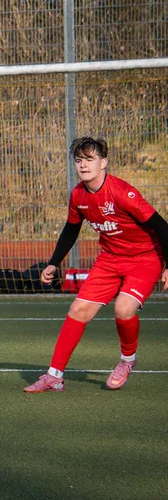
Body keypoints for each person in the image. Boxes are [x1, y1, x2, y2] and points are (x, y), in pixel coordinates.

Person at [24, 137, 168, 393]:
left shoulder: (123, 193)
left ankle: (127, 360)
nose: (83, 165)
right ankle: (54, 376)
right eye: (79, 160)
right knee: (78, 310)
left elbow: (161, 226)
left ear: (104, 162)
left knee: (124, 309)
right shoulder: (78, 194)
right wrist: (53, 263)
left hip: (145, 258)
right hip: (110, 258)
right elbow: (71, 229)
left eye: (89, 159)